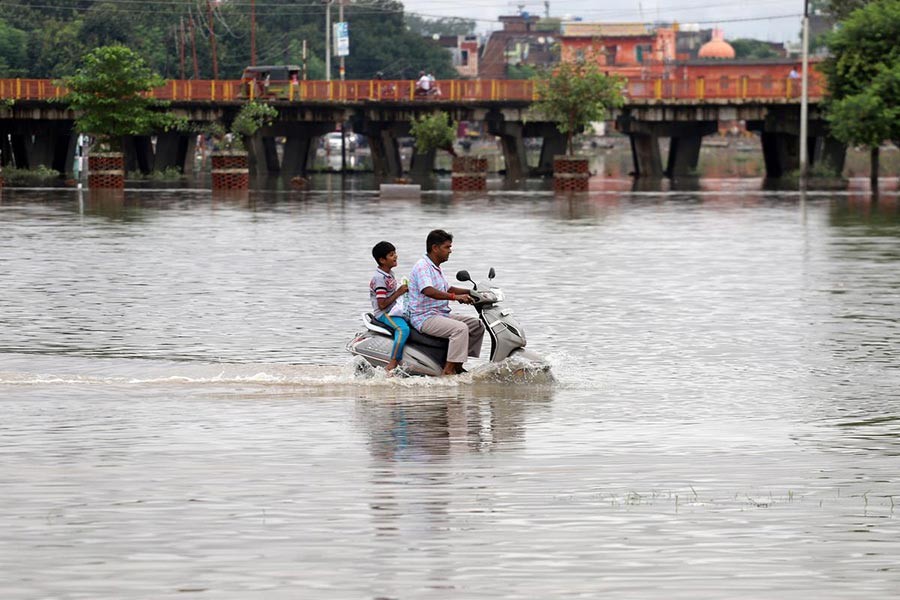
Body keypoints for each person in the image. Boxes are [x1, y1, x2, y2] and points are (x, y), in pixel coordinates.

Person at [407, 229, 485, 375]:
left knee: (477, 325)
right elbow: (428, 290)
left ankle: (457, 365)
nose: (450, 251)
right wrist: (455, 297)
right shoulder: (422, 266)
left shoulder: (436, 267)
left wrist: (471, 292)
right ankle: (448, 371)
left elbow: (447, 288)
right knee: (460, 329)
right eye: (447, 247)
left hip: (440, 314)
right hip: (424, 317)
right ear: (435, 248)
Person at [369, 241, 410, 374]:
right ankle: (393, 362)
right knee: (403, 329)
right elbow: (382, 304)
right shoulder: (379, 278)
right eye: (391, 255)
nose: (396, 256)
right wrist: (400, 292)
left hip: (393, 309)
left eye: (395, 253)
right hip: (384, 313)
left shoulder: (389, 273)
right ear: (382, 260)